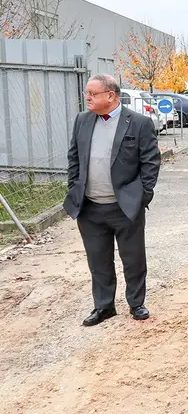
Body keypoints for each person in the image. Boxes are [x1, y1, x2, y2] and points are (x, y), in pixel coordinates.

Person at [63, 73, 160, 326]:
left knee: (133, 258)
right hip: (90, 207)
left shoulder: (138, 123)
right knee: (98, 260)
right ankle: (104, 307)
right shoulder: (82, 121)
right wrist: (74, 187)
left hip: (125, 207)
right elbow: (74, 157)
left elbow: (150, 162)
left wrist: (143, 195)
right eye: (87, 93)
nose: (87, 97)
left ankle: (136, 303)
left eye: (92, 93)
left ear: (111, 95)